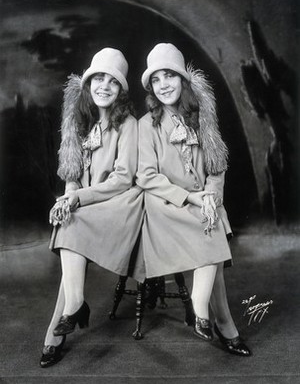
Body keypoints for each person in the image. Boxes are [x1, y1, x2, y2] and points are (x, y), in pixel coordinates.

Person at [135, 43, 251, 356]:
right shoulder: (147, 126)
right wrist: (192, 198)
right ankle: (215, 317)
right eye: (156, 80)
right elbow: (146, 177)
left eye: (169, 75)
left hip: (202, 206)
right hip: (165, 206)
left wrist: (210, 196)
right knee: (208, 221)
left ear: (183, 80)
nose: (163, 85)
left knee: (211, 217)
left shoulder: (203, 118)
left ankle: (212, 317)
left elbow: (216, 168)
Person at [40, 48, 144, 367]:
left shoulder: (127, 124)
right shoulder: (79, 122)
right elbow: (73, 173)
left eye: (112, 82)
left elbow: (123, 178)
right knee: (68, 219)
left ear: (120, 90)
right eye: (98, 78)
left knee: (74, 220)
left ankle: (62, 324)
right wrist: (68, 197)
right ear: (88, 84)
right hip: (87, 205)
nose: (104, 86)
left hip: (121, 203)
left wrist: (78, 199)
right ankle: (73, 305)